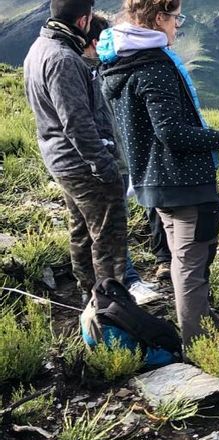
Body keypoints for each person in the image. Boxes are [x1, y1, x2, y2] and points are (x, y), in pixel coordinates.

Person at [98, 0, 219, 350]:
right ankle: (202, 347)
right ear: (158, 18)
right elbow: (171, 132)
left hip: (154, 182)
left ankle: (208, 334)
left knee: (186, 261)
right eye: (176, 18)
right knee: (191, 267)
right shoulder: (154, 66)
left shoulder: (120, 63)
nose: (178, 26)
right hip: (183, 183)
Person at [23, 0, 128, 302]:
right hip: (82, 164)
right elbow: (77, 123)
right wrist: (104, 166)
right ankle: (112, 308)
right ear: (83, 21)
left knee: (82, 230)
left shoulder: (39, 48)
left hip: (61, 160)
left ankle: (89, 297)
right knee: (108, 237)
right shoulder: (64, 59)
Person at [82, 12, 162, 306]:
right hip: (103, 162)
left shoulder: (101, 71)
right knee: (110, 225)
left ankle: (117, 284)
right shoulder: (90, 73)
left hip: (114, 158)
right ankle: (125, 283)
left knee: (108, 224)